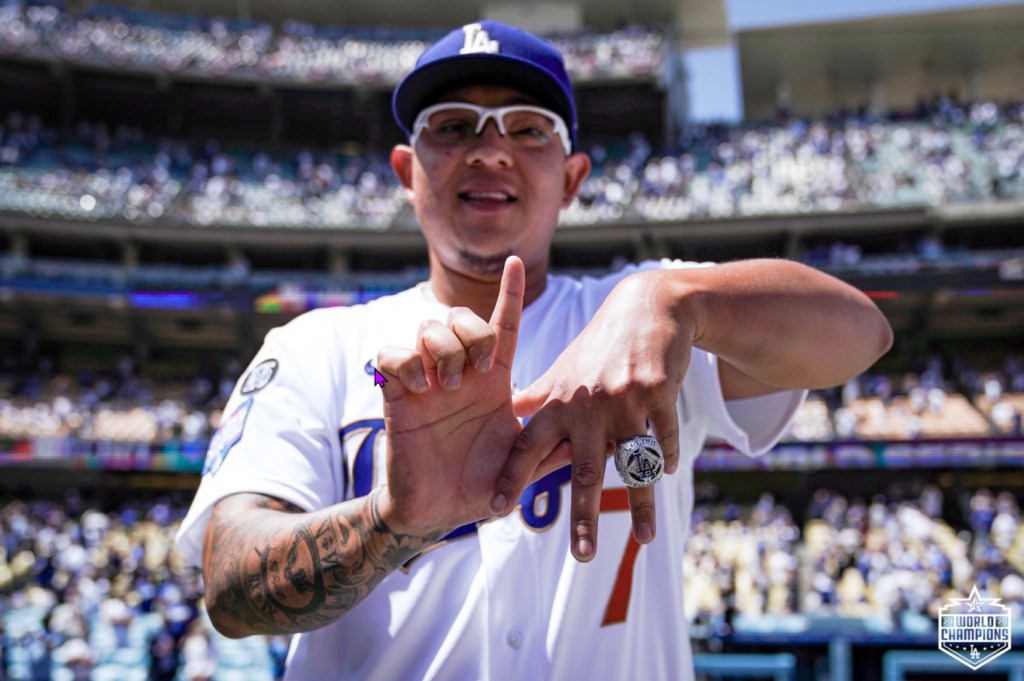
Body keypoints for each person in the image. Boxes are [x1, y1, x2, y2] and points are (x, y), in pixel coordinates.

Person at [175, 20, 892, 681]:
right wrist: (391, 521)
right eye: (453, 126)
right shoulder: (317, 346)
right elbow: (230, 591)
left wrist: (677, 298)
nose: (490, 150)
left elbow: (862, 332)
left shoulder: (646, 320)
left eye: (527, 128)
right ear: (406, 171)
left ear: (572, 177)